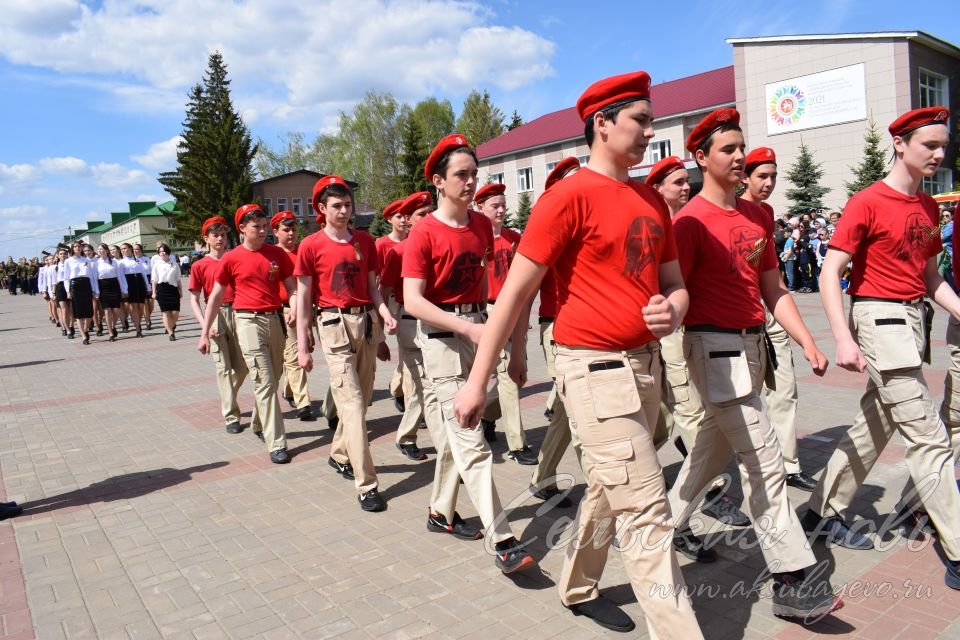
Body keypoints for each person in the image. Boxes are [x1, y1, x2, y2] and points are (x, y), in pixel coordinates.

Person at [454, 73, 702, 635]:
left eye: (650, 118)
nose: (649, 130)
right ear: (602, 123)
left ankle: (576, 585)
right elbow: (513, 294)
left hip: (646, 366)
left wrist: (675, 308)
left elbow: (675, 282)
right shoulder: (565, 198)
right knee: (647, 510)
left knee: (611, 488)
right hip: (592, 370)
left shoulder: (649, 201)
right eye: (640, 119)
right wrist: (477, 381)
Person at [668, 107, 841, 620]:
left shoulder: (759, 216)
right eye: (728, 149)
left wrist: (808, 341)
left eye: (742, 147)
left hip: (751, 346)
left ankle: (665, 524)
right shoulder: (690, 222)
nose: (740, 156)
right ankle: (791, 579)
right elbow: (674, 292)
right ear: (701, 158)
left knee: (708, 454)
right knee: (764, 461)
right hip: (712, 347)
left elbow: (773, 287)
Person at [805, 106, 960, 591]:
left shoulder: (930, 208)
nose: (939, 153)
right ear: (900, 144)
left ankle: (819, 510)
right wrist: (843, 336)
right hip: (878, 317)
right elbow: (831, 273)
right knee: (930, 438)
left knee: (877, 421)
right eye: (928, 144)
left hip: (913, 320)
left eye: (943, 145)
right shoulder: (866, 201)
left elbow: (931, 276)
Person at [402, 134, 536, 575]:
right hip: (442, 339)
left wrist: (509, 344)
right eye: (461, 174)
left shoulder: (481, 226)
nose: (470, 181)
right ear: (439, 181)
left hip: (479, 329)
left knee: (453, 437)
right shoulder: (423, 231)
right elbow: (413, 301)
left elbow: (490, 288)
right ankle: (503, 539)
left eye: (474, 174)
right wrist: (465, 327)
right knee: (470, 439)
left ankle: (441, 510)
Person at [647, 155, 750, 534]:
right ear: (658, 189)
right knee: (687, 412)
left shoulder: (691, 221)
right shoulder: (659, 227)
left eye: (684, 181)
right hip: (668, 332)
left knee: (684, 412)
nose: (685, 187)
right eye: (676, 183)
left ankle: (693, 485)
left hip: (694, 331)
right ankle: (711, 492)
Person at [295, 176, 395, 511]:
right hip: (333, 324)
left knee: (362, 402)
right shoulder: (310, 246)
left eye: (347, 204)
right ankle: (367, 484)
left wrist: (383, 318)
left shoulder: (365, 242)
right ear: (322, 209)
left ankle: (339, 454)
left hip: (365, 324)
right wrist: (303, 346)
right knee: (351, 406)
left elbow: (373, 287)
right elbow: (305, 296)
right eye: (336, 205)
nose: (343, 210)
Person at [741, 147, 818, 492]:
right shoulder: (729, 212)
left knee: (785, 390)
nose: (769, 183)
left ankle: (789, 464)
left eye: (774, 176)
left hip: (771, 309)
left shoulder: (767, 213)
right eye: (762, 176)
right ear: (745, 177)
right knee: (744, 400)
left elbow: (767, 270)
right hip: (738, 315)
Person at [198, 204, 294, 465]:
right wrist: (204, 332)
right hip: (247, 321)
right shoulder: (231, 258)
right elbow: (215, 296)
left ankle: (258, 422)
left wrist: (295, 309)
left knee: (274, 376)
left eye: (265, 226)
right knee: (265, 381)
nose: (263, 231)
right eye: (257, 227)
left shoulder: (277, 254)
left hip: (275, 320)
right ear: (242, 228)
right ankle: (277, 443)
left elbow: (291, 287)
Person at [527, 156, 581, 509]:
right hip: (557, 327)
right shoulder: (549, 230)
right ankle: (612, 500)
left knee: (566, 408)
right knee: (578, 411)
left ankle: (542, 476)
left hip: (593, 334)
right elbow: (524, 290)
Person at [472, 182, 536, 464]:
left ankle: (487, 415)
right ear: (480, 208)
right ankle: (518, 444)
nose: (500, 210)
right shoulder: (475, 239)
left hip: (512, 309)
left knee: (516, 375)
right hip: (486, 311)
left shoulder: (513, 238)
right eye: (493, 205)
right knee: (507, 378)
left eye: (502, 204)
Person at [189, 216, 258, 435]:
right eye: (215, 235)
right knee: (223, 368)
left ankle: (228, 396)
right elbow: (194, 299)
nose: (220, 239)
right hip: (215, 314)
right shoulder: (199, 265)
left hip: (239, 313)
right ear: (206, 238)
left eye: (223, 234)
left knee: (244, 366)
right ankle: (231, 415)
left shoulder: (234, 259)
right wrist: (205, 326)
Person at [379, 192, 434, 462]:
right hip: (410, 323)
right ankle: (407, 436)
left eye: (429, 212)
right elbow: (384, 289)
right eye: (421, 214)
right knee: (424, 383)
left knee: (432, 384)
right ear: (409, 221)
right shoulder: (397, 252)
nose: (428, 218)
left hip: (437, 322)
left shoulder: (436, 244)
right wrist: (384, 324)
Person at [271, 211, 314, 422]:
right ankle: (303, 402)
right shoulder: (271, 254)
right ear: (275, 231)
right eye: (286, 230)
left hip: (307, 309)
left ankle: (290, 391)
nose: (291, 233)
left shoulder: (303, 252)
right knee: (294, 354)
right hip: (284, 311)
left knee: (299, 352)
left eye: (294, 229)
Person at [376, 198, 413, 415]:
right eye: (398, 216)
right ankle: (401, 387)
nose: (402, 221)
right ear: (390, 219)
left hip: (407, 299)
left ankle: (398, 386)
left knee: (406, 349)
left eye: (404, 216)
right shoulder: (382, 244)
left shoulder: (414, 240)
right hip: (389, 298)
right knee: (405, 349)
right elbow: (380, 279)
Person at [63, 241, 100, 345]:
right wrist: (68, 291)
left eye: (79, 246)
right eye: (75, 246)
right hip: (75, 285)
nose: (77, 248)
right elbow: (66, 278)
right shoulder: (68, 261)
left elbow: (92, 277)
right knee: (78, 312)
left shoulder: (87, 260)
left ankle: (86, 329)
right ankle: (83, 335)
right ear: (72, 249)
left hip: (86, 284)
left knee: (89, 312)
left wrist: (95, 290)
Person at [95, 243, 127, 342]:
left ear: (106, 250)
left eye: (102, 249)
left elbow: (120, 277)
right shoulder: (95, 263)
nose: (100, 250)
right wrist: (96, 291)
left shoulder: (113, 262)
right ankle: (110, 333)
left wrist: (123, 289)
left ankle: (113, 326)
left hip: (114, 286)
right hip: (103, 287)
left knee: (116, 310)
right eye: (99, 249)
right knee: (107, 311)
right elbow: (95, 279)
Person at [151, 243, 182, 341]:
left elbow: (178, 279)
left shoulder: (174, 264)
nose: (162, 253)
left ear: (168, 252)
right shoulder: (156, 265)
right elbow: (154, 280)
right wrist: (154, 292)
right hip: (162, 289)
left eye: (164, 251)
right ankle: (170, 333)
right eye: (160, 252)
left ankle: (172, 325)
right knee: (165, 312)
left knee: (175, 312)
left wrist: (180, 290)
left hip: (173, 289)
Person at [120, 243, 149, 337]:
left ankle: (138, 322)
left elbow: (144, 273)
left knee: (141, 307)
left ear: (130, 249)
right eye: (122, 249)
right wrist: (125, 289)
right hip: (129, 283)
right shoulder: (121, 262)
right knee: (134, 307)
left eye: (125, 248)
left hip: (139, 282)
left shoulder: (137, 260)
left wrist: (148, 286)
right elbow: (121, 277)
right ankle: (138, 329)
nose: (123, 250)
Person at [134, 243, 154, 330]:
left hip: (149, 279)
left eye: (137, 249)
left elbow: (152, 270)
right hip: (140, 280)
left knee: (151, 302)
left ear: (141, 250)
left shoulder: (147, 259)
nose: (135, 251)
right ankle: (147, 321)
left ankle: (148, 316)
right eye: (134, 249)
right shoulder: (133, 260)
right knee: (145, 302)